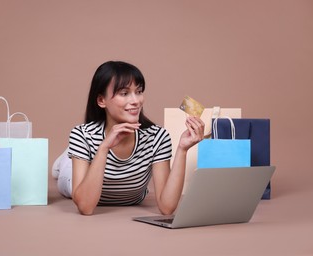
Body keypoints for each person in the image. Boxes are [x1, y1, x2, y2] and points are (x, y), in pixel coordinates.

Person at [52, 61, 204, 215]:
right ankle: (67, 158)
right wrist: (103, 148)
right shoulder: (82, 135)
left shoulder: (157, 137)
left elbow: (167, 207)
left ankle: (73, 155)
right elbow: (85, 207)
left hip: (123, 184)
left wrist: (182, 149)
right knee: (63, 170)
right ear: (101, 100)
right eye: (124, 93)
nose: (136, 101)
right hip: (75, 181)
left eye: (138, 91)